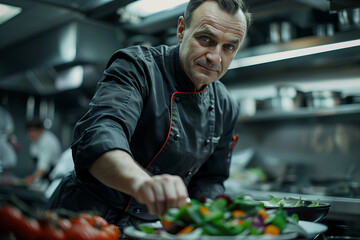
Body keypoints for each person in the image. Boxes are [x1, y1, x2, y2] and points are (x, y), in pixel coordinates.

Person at [45, 0, 251, 231]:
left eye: (229, 47)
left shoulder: (226, 105)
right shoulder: (138, 67)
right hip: (84, 218)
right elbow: (101, 134)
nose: (215, 57)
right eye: (206, 39)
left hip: (148, 229)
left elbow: (210, 180)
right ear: (182, 30)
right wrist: (144, 184)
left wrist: (206, 221)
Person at [24, 118, 62, 185]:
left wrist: (31, 179)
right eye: (28, 131)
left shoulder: (47, 142)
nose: (30, 134)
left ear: (41, 130)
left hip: (53, 176)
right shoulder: (35, 141)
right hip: (43, 177)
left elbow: (43, 167)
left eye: (33, 131)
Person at [0, 105, 18, 174]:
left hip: (3, 138)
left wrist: (14, 140)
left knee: (10, 160)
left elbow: (10, 128)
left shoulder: (3, 112)